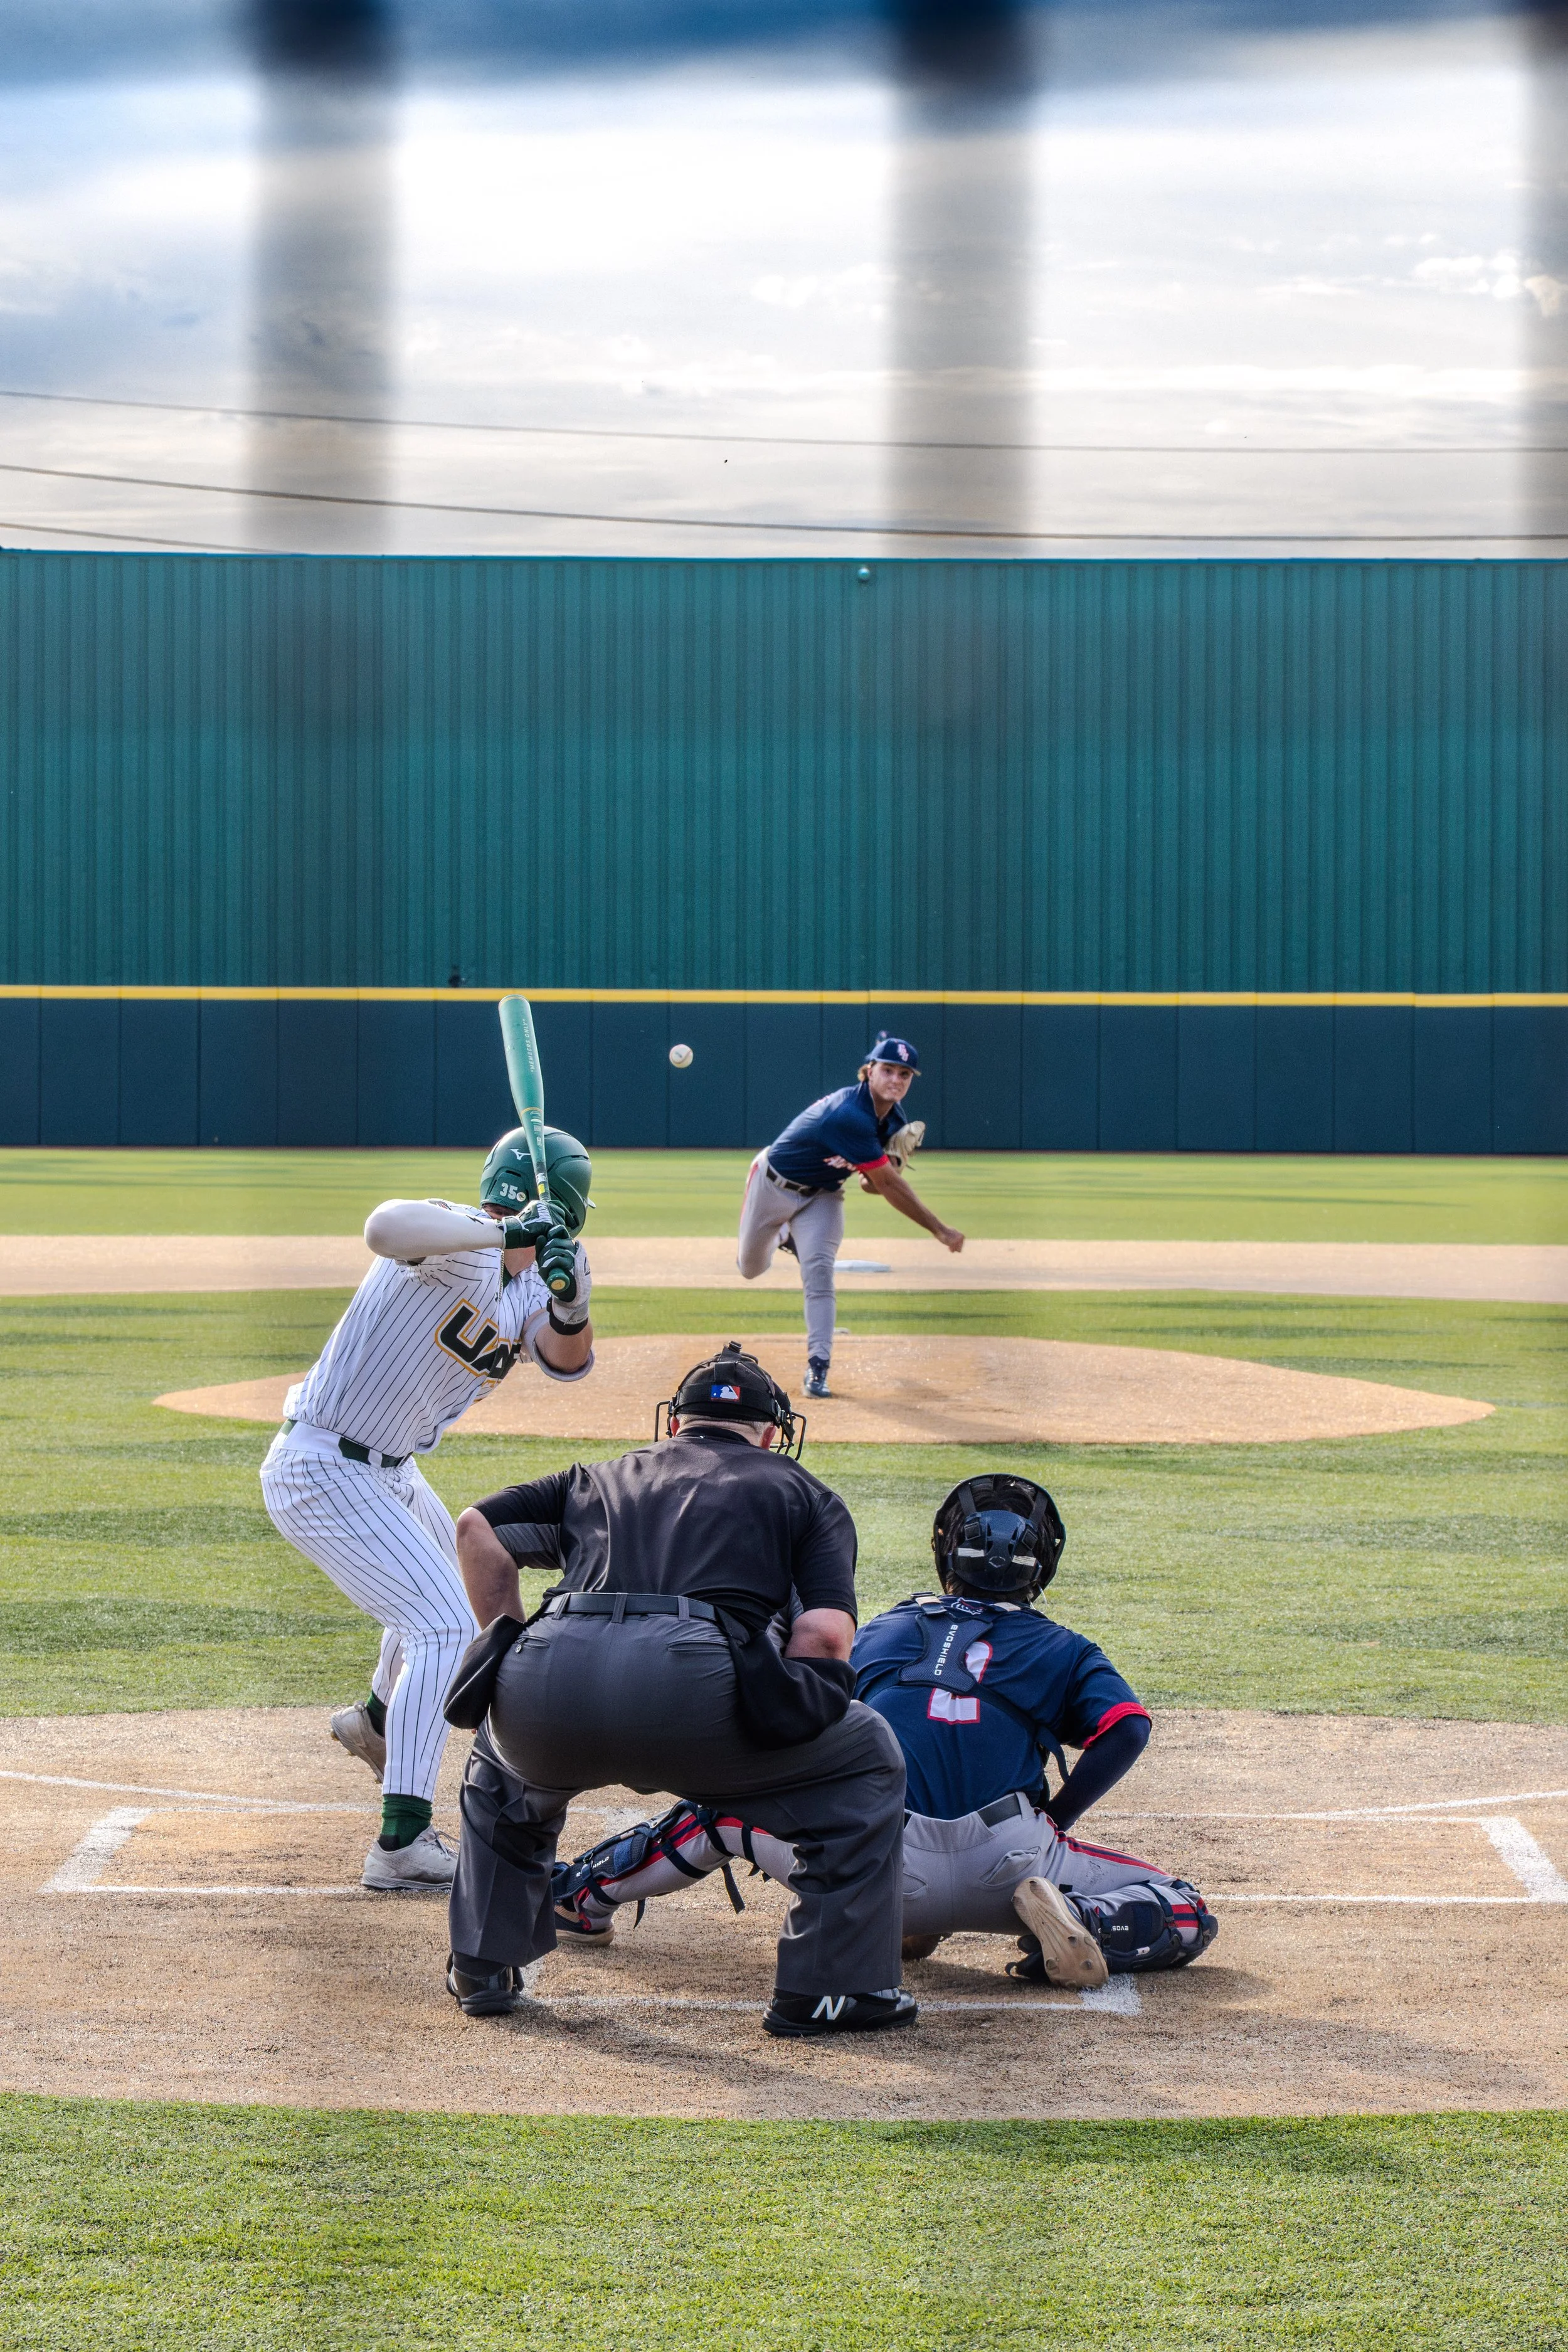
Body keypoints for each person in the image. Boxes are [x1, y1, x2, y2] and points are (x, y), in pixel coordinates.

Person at [551, 1475, 1217, 1989]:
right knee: (1184, 1905)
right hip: (1011, 1863)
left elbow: (805, 1713)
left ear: (943, 1552)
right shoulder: (1064, 1647)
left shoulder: (884, 1629)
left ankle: (581, 1897)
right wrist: (1057, 1819)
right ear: (1041, 1566)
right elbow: (1126, 1729)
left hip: (874, 1859)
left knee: (718, 1813)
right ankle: (1090, 1922)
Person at [442, 1345, 914, 2040]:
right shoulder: (801, 1491)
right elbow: (824, 1638)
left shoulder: (593, 1477)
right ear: (772, 1433)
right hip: (696, 1687)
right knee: (867, 1750)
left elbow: (474, 1528)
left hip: (552, 1674)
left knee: (501, 1769)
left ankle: (483, 1963)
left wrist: (508, 1637)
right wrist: (782, 1707)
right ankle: (829, 1990)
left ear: (675, 1424)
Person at [259, 1126, 595, 1893]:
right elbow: (382, 1227)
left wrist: (573, 1302)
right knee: (443, 1623)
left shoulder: (537, 1276)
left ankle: (377, 1721)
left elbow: (567, 1364)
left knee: (437, 1596)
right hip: (322, 1464)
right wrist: (508, 1228)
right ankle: (402, 1843)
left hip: (388, 1472)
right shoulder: (459, 1241)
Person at [738, 1034, 964, 1399]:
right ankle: (782, 1236)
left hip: (823, 1195)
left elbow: (870, 1186)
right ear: (869, 1071)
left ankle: (818, 1368)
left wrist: (892, 1165)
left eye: (905, 1074)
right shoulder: (849, 1115)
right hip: (773, 1185)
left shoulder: (892, 1118)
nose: (896, 1080)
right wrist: (939, 1229)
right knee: (750, 1268)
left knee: (820, 1274)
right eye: (888, 1070)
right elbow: (888, 1188)